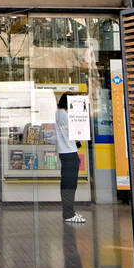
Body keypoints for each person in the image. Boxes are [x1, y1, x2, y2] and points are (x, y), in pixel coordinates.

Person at [54, 91, 87, 222]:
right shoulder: (65, 115)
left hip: (65, 152)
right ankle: (69, 214)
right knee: (70, 184)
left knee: (67, 183)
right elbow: (76, 133)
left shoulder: (58, 114)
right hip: (69, 152)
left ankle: (68, 212)